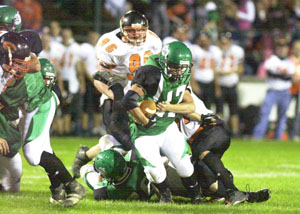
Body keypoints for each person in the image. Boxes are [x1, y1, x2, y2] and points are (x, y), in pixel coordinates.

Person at [71, 10, 162, 177]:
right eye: (131, 31)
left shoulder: (154, 40)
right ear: (122, 29)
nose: (136, 35)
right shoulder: (110, 44)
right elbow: (99, 79)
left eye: (140, 30)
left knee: (142, 140)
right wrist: (117, 98)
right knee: (131, 142)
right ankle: (94, 173)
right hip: (116, 100)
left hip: (143, 99)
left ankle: (85, 155)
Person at [121, 41, 202, 203]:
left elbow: (190, 105)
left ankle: (197, 197)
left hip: (167, 127)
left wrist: (170, 107)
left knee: (185, 166)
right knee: (155, 171)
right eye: (174, 67)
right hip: (144, 131)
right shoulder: (150, 74)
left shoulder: (184, 75)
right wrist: (144, 121)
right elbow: (128, 101)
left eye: (182, 67)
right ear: (164, 62)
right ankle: (165, 196)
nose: (179, 71)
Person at [253, 41, 295, 140]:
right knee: (264, 113)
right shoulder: (272, 59)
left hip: (285, 91)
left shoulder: (290, 62)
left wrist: (279, 76)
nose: (282, 50)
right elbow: (270, 73)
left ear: (287, 49)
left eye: (283, 47)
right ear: (277, 49)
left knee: (282, 116)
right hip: (272, 90)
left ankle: (278, 137)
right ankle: (258, 136)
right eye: (280, 47)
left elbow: (290, 77)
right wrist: (282, 76)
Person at [215, 32, 244, 137]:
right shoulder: (215, 51)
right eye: (222, 42)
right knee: (219, 110)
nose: (224, 44)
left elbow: (241, 69)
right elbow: (213, 70)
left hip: (232, 83)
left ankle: (235, 132)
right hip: (221, 84)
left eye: (226, 41)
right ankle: (219, 132)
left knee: (234, 110)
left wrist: (229, 72)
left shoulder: (237, 51)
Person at [60, 28, 85, 136]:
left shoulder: (76, 48)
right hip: (59, 79)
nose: (65, 37)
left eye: (67, 35)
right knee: (61, 107)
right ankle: (61, 131)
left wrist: (82, 82)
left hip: (71, 80)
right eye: (64, 35)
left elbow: (79, 67)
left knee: (70, 107)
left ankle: (68, 130)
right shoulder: (57, 46)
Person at [191, 31, 222, 109]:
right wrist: (193, 83)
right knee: (197, 107)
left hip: (210, 83)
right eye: (202, 40)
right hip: (198, 82)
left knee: (208, 107)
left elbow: (215, 69)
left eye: (206, 39)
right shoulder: (194, 49)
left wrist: (217, 86)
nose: (204, 42)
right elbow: (191, 68)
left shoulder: (215, 50)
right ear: (197, 40)